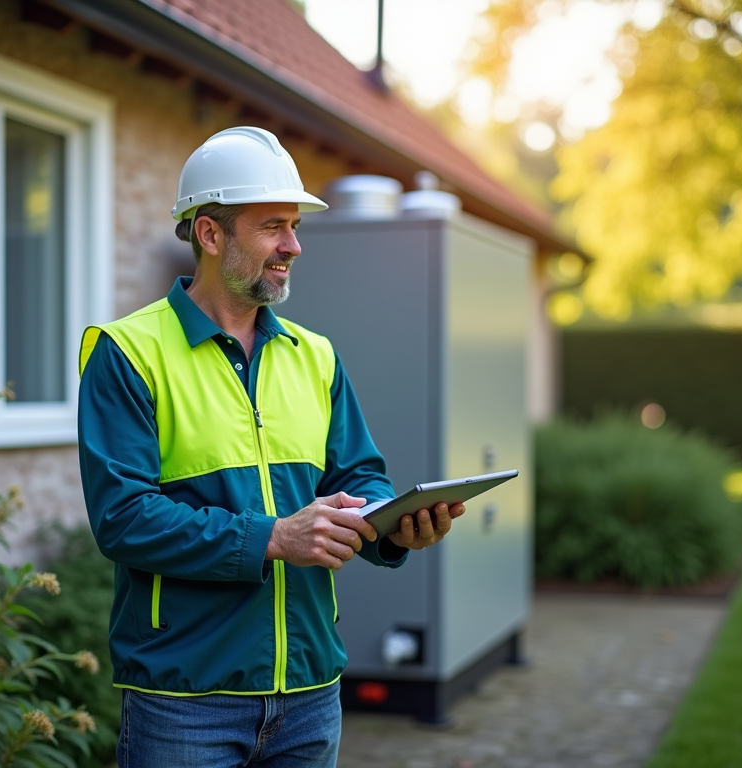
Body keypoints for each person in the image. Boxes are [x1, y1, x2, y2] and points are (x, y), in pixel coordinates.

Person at [77, 126, 464, 768]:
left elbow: (361, 474)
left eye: (294, 226)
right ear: (209, 233)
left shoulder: (314, 355)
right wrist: (275, 538)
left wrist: (394, 526)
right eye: (273, 226)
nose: (294, 245)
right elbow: (123, 519)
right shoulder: (127, 354)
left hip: (311, 691)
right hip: (185, 698)